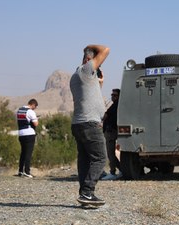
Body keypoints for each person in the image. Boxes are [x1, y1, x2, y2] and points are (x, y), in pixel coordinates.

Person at [70, 44, 110, 206]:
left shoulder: (78, 75)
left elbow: (91, 95)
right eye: (96, 61)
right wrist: (88, 47)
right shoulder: (86, 69)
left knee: (85, 161)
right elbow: (106, 49)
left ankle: (84, 195)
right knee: (101, 158)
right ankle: (87, 192)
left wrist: (99, 82)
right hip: (89, 124)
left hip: (79, 124)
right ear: (89, 59)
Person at [101, 88, 122, 180]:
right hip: (111, 131)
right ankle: (122, 170)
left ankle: (113, 172)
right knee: (111, 153)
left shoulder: (116, 106)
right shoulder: (115, 105)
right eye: (112, 95)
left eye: (115, 95)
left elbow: (105, 116)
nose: (112, 97)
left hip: (111, 132)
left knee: (110, 153)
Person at [16, 98, 39, 178]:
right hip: (29, 134)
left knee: (23, 152)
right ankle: (27, 171)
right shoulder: (30, 112)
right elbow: (35, 124)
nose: (34, 108)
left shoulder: (19, 110)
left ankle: (20, 171)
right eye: (35, 107)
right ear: (33, 104)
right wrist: (36, 119)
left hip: (21, 134)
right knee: (28, 153)